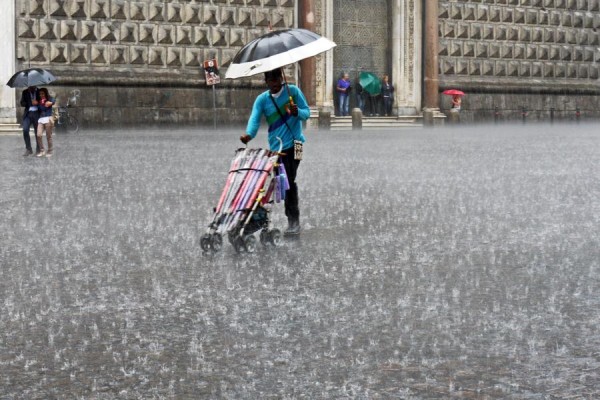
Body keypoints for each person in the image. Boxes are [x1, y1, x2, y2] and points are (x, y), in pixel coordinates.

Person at [240, 68, 310, 236]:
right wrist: (249, 134)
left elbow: (306, 113)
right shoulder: (262, 100)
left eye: (275, 80)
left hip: (296, 144)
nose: (273, 84)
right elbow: (254, 119)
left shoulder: (293, 91)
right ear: (266, 81)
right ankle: (258, 217)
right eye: (269, 81)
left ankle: (294, 221)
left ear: (281, 78)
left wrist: (297, 112)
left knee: (289, 180)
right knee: (275, 183)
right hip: (276, 149)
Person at [20, 86, 40, 156]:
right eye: (29, 87)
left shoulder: (40, 92)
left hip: (37, 113)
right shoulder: (25, 92)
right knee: (25, 130)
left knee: (37, 132)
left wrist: (37, 103)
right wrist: (29, 103)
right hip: (28, 114)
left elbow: (44, 101)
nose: (30, 88)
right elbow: (22, 103)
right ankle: (28, 149)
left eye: (32, 87)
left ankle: (38, 149)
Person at [35, 88, 55, 157]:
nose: (41, 95)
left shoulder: (49, 99)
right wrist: (39, 104)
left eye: (42, 94)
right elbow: (42, 108)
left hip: (48, 118)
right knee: (39, 135)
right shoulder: (39, 101)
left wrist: (51, 102)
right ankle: (42, 150)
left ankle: (50, 151)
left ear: (45, 93)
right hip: (41, 119)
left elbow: (53, 100)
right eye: (40, 94)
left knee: (48, 136)